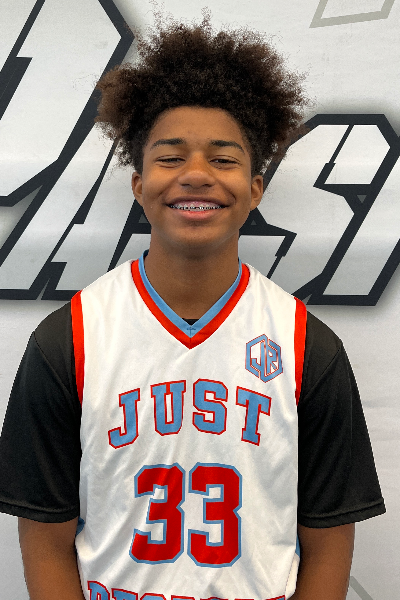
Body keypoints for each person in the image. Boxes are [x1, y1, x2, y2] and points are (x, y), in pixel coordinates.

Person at [0, 16, 385, 600]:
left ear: (255, 189)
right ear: (138, 185)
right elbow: (44, 540)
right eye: (171, 157)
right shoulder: (69, 340)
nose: (197, 175)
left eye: (224, 159)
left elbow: (329, 543)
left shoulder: (307, 346)